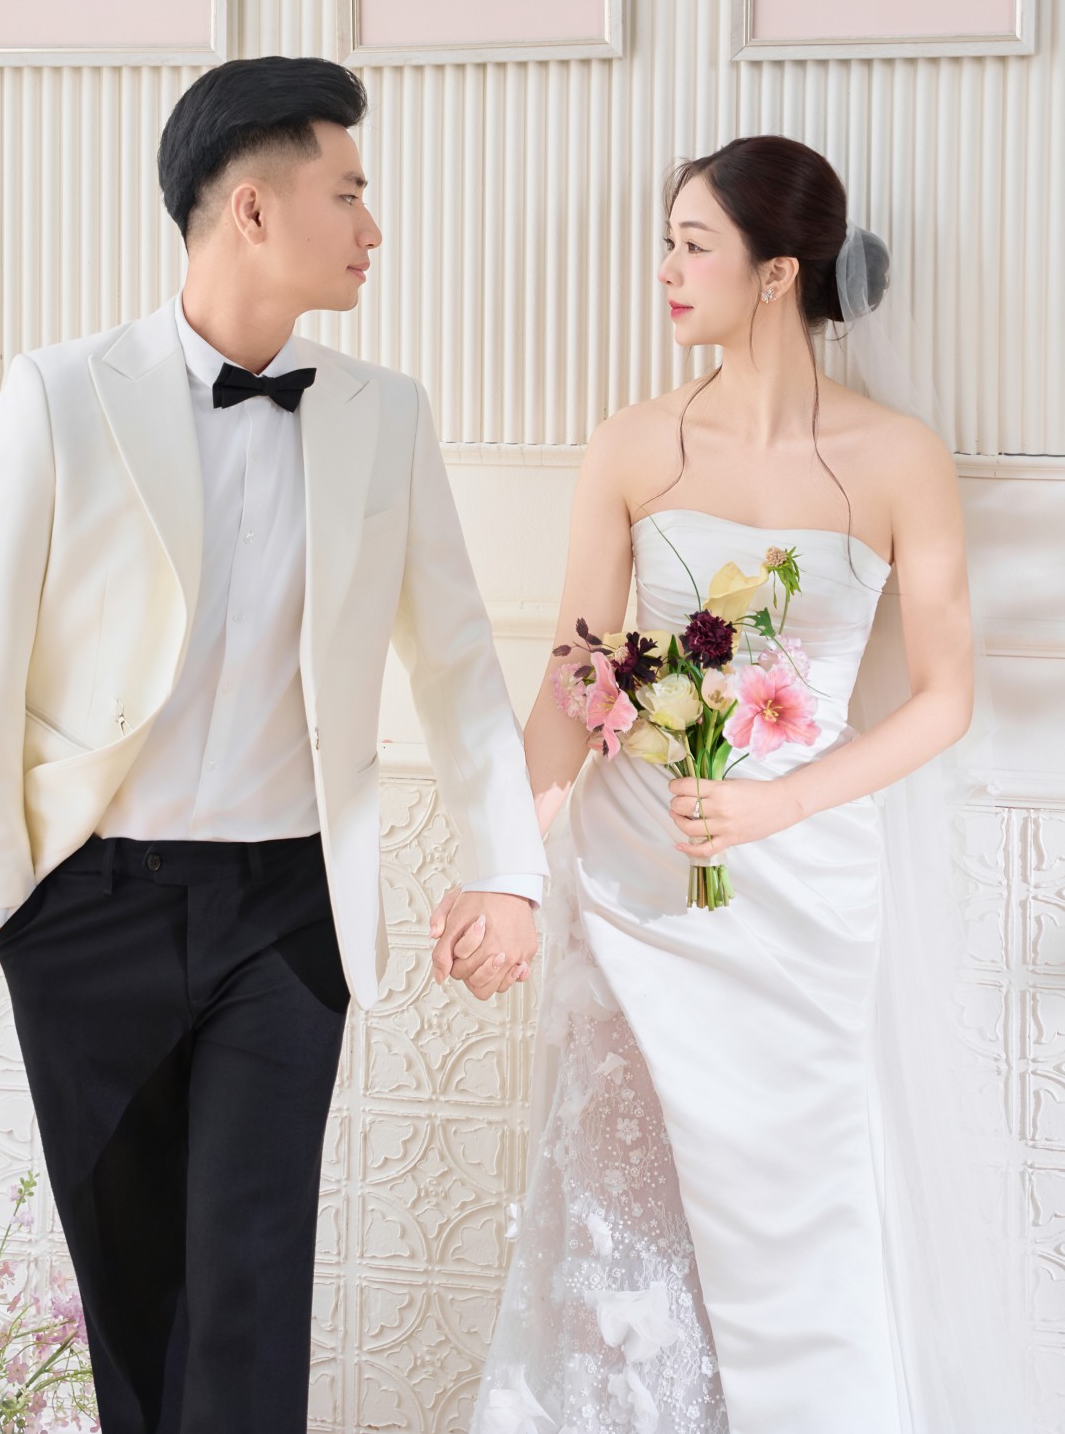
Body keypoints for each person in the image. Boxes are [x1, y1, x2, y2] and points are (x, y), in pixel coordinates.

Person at [0, 55, 548, 1434]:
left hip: (285, 914)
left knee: (252, 1289)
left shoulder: (386, 414)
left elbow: (455, 659)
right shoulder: (63, 393)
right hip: (90, 906)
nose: (373, 228)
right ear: (254, 210)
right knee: (136, 1305)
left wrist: (509, 867)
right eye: (350, 193)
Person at [463, 136, 1027, 1433]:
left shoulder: (897, 457)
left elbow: (945, 698)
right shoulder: (632, 445)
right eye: (664, 242)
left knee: (799, 1219)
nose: (664, 270)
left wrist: (780, 803)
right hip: (633, 881)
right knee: (615, 1216)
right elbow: (576, 675)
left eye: (691, 245)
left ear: (777, 275)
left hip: (805, 893)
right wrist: (509, 871)